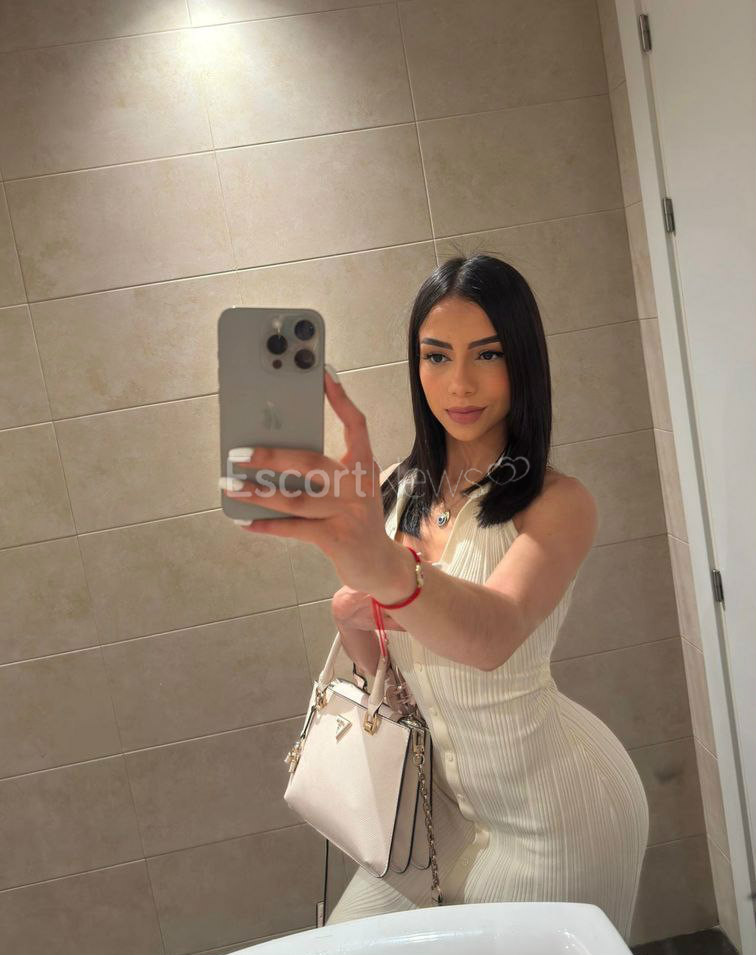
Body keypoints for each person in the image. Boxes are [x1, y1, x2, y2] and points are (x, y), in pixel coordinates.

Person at [325, 253, 649, 942]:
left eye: (488, 354)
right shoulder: (393, 492)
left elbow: (493, 633)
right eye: (437, 356)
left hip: (556, 816)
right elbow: (396, 687)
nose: (460, 383)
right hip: (435, 815)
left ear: (522, 360)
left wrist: (391, 577)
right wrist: (351, 616)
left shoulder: (558, 504)